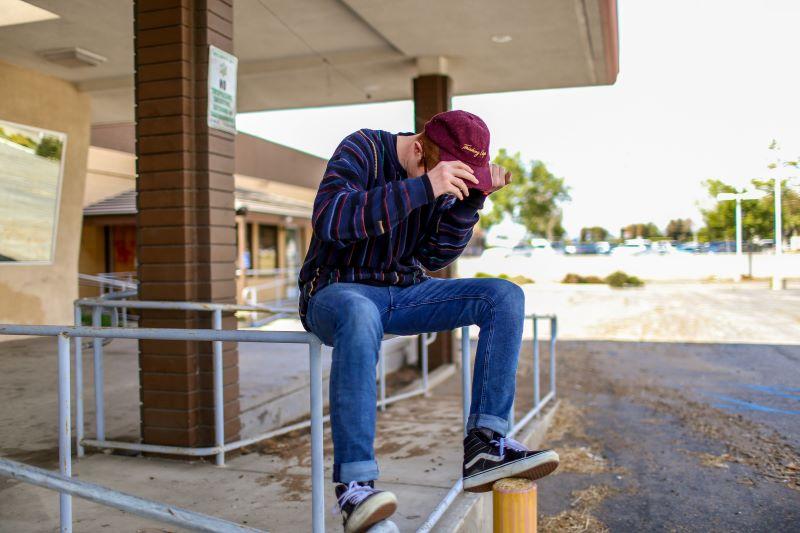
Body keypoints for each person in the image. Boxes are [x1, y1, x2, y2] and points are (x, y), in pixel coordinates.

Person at [298, 110, 559, 532]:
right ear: (419, 147)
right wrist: (422, 188)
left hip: (403, 293)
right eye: (438, 173)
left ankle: (485, 446)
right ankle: (355, 487)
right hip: (336, 293)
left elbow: (434, 257)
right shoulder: (363, 147)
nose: (443, 188)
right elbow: (331, 220)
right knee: (361, 312)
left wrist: (472, 200)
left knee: (503, 296)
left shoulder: (442, 180)